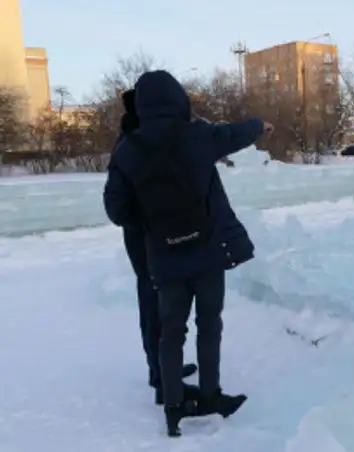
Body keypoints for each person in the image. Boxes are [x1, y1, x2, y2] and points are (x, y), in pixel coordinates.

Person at [103, 70, 267, 437]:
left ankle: (174, 407)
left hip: (163, 256)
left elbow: (115, 209)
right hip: (207, 251)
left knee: (171, 331)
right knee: (210, 325)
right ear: (179, 99)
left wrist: (150, 222)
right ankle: (210, 396)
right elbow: (237, 134)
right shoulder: (198, 135)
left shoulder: (127, 148)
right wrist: (260, 123)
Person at [117, 89, 201, 406]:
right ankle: (160, 375)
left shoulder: (143, 137)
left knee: (160, 301)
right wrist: (147, 221)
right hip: (145, 239)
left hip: (151, 235)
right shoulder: (134, 142)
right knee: (155, 302)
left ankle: (165, 368)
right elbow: (118, 201)